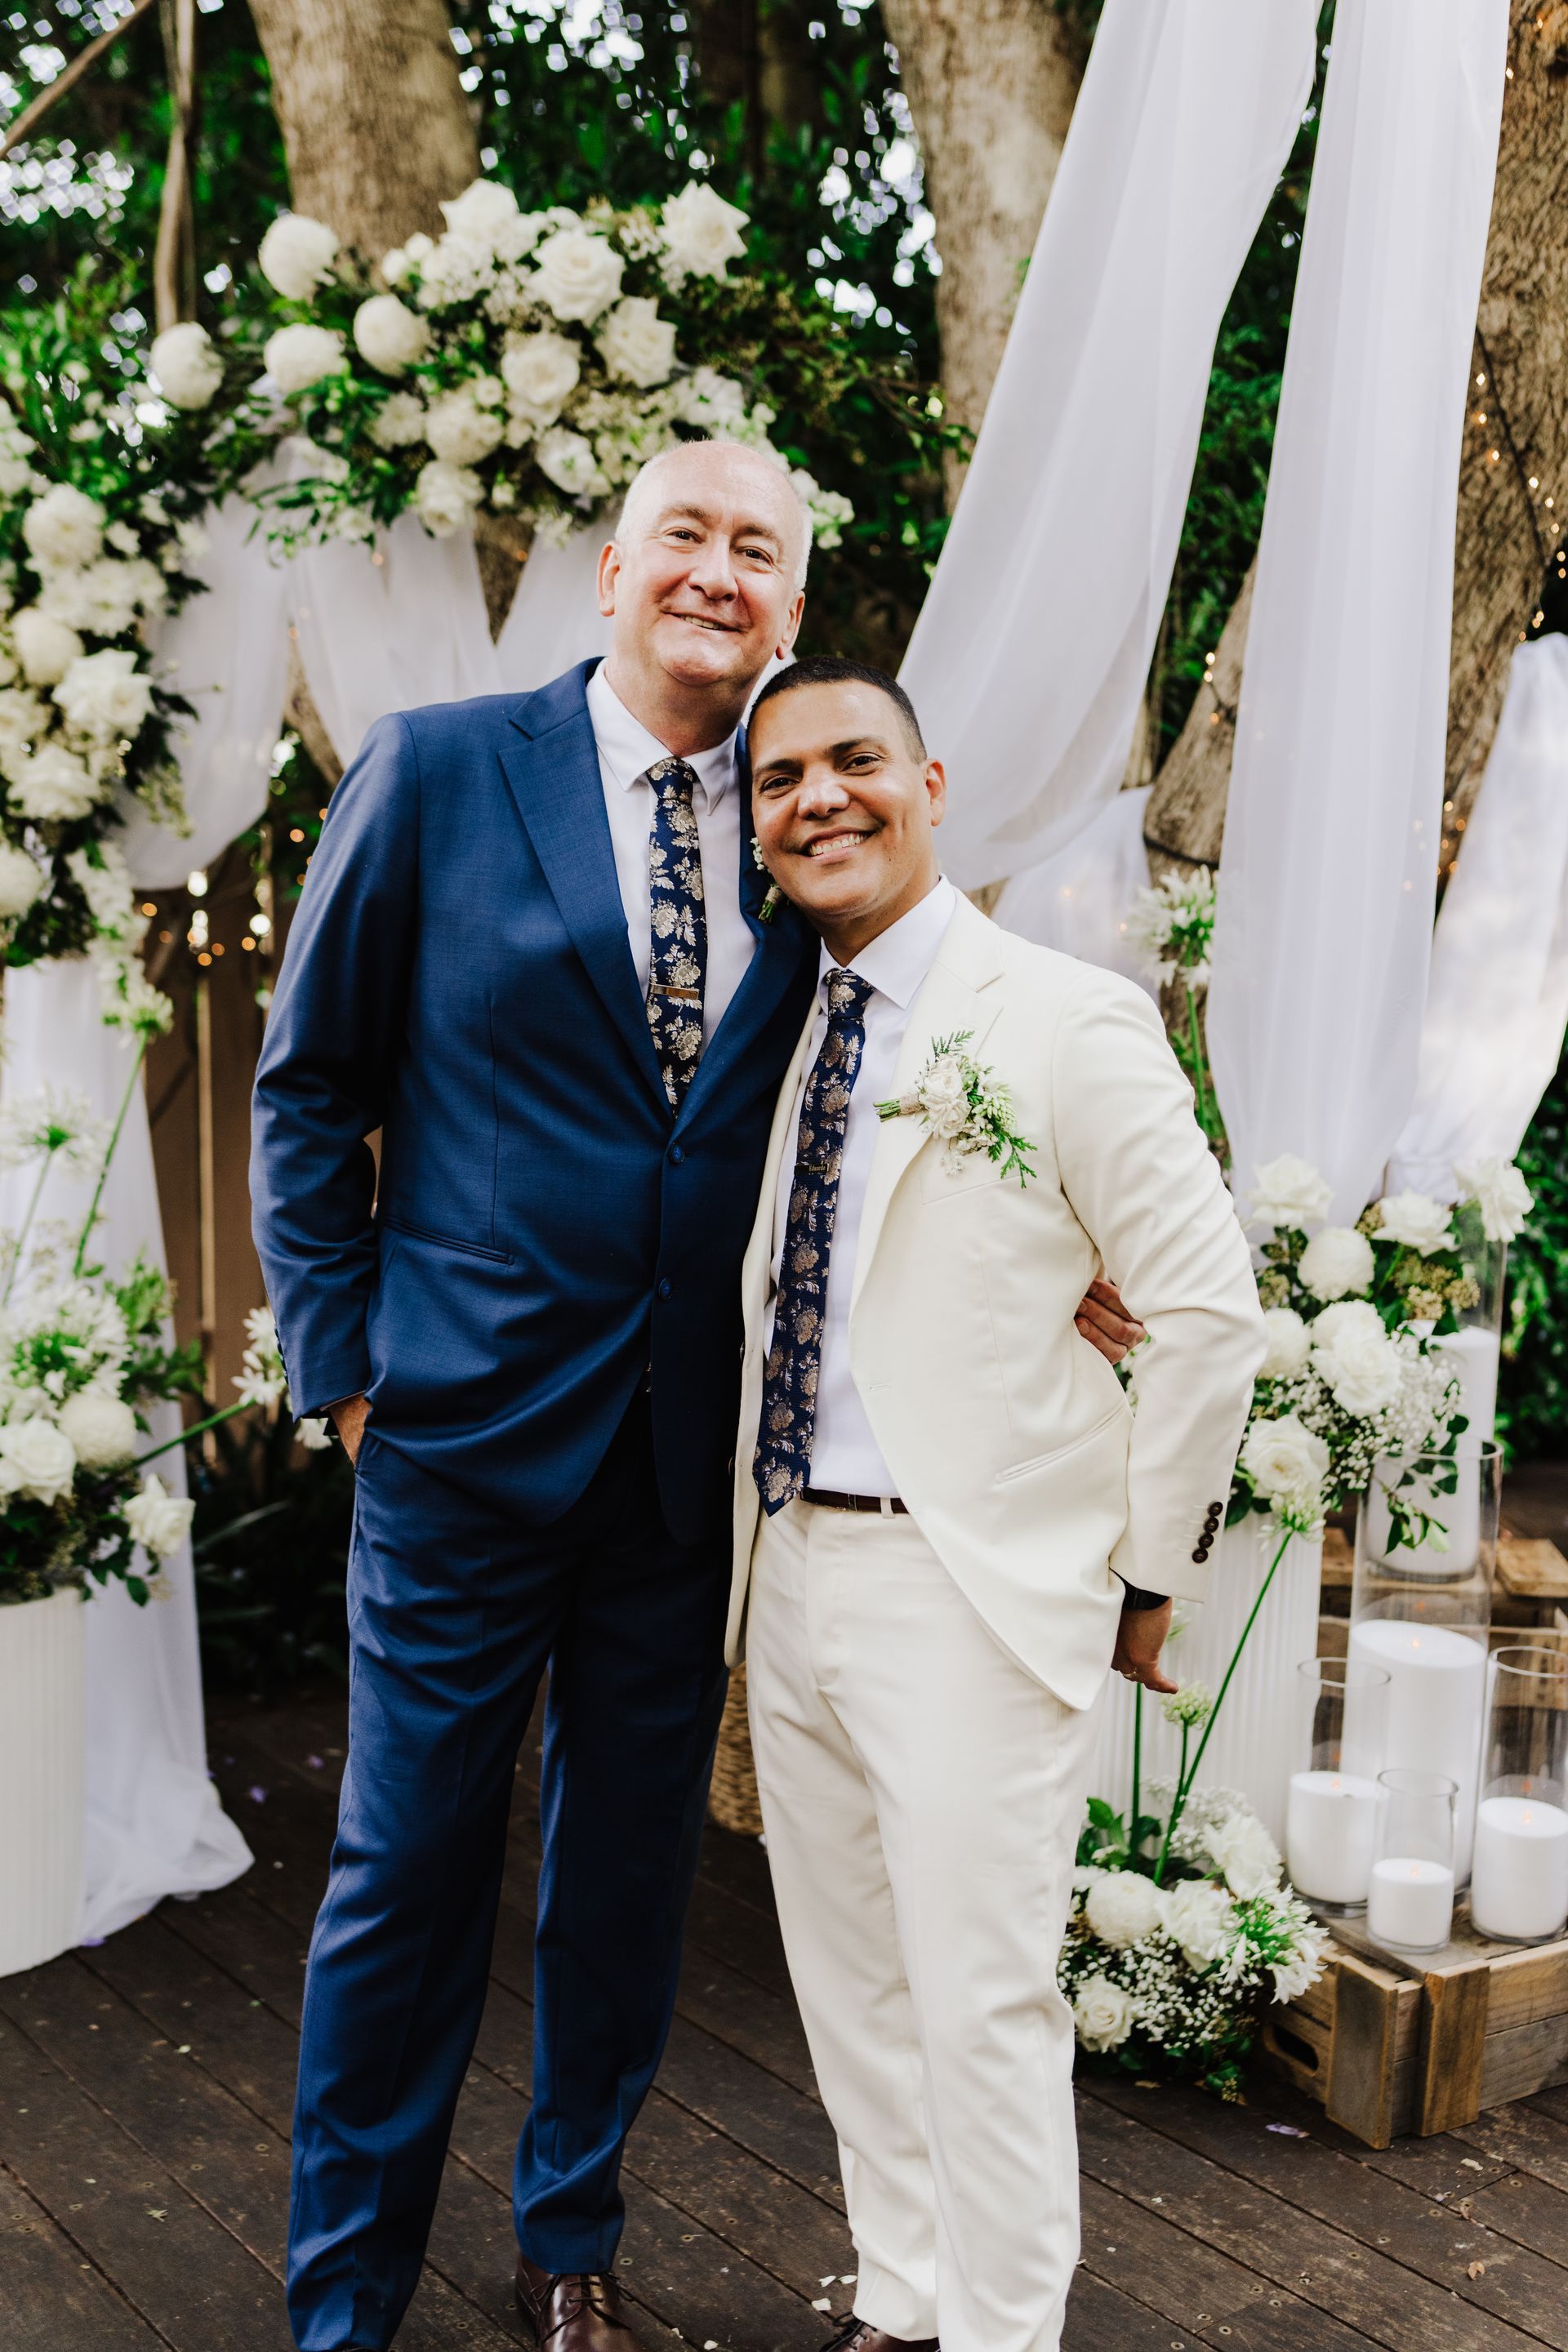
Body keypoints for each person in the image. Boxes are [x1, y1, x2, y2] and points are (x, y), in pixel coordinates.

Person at [252, 439, 1142, 2352]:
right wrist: (346, 1383)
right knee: (403, 1882)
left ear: (793, 605)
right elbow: (309, 1087)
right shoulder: (433, 770)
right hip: (456, 1451)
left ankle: (568, 2238)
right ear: (610, 569)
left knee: (624, 1886)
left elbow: (914, 1083)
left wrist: (1072, 1276)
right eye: (689, 537)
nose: (719, 574)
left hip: (688, 1470)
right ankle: (344, 2297)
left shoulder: (807, 835)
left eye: (762, 551)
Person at [730, 658, 1267, 2352]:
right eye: (781, 776)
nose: (820, 796)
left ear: (932, 782)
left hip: (966, 1588)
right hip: (789, 1565)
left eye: (855, 761)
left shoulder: (1057, 1013)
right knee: (852, 1985)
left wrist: (1142, 1571)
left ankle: (1004, 2334)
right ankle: (901, 2300)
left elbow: (1204, 1305)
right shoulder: (778, 1024)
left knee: (981, 2004)